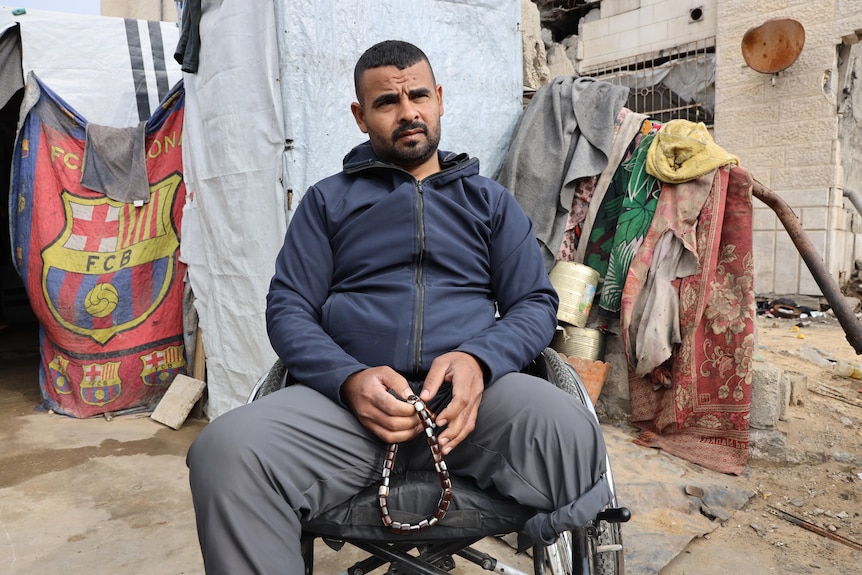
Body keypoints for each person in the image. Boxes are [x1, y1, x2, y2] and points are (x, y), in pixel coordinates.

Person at [187, 40, 611, 574]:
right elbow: (289, 307)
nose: (408, 111)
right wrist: (347, 378)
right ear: (361, 116)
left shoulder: (489, 203)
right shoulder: (327, 202)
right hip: (347, 412)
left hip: (475, 408)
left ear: (438, 99)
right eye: (388, 102)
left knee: (570, 431)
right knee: (224, 452)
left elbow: (533, 304)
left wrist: (480, 361)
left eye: (418, 96)